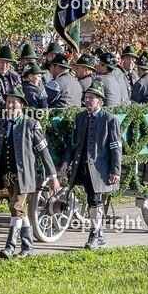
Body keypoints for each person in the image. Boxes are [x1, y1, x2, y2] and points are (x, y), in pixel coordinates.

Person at [0, 88, 60, 259]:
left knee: (16, 207)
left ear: (22, 105)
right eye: (8, 101)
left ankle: (9, 247)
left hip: (25, 177)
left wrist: (53, 176)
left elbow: (43, 152)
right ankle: (28, 246)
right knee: (20, 211)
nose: (11, 105)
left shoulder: (31, 125)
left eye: (15, 102)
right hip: (6, 175)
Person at [60, 81, 123, 250]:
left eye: (92, 98)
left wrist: (115, 170)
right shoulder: (80, 118)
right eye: (86, 97)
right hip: (82, 166)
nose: (88, 101)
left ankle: (94, 234)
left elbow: (116, 147)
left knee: (94, 200)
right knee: (91, 199)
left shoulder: (110, 120)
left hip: (100, 169)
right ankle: (100, 234)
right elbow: (72, 142)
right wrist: (66, 160)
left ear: (100, 101)